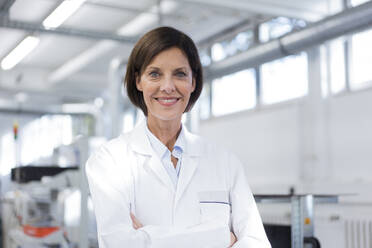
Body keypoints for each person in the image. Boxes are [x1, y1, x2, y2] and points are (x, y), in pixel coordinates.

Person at [85, 26, 271, 248]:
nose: (167, 87)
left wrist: (147, 237)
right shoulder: (109, 161)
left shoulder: (225, 162)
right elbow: (119, 243)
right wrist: (220, 238)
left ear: (193, 82)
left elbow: (257, 243)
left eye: (180, 74)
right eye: (155, 74)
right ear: (138, 81)